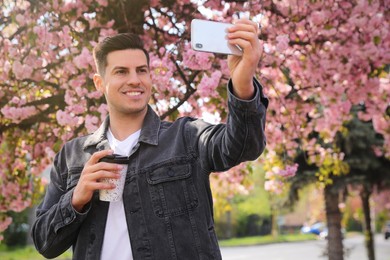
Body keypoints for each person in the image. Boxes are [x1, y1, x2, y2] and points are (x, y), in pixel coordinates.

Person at [31, 19, 268, 259]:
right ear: (99, 83)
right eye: (121, 71)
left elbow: (243, 146)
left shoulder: (187, 137)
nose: (135, 80)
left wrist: (242, 83)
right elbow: (45, 243)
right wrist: (75, 199)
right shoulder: (72, 156)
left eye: (141, 70)